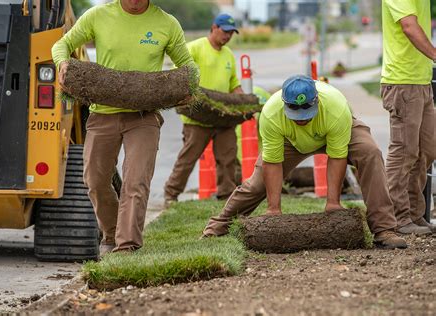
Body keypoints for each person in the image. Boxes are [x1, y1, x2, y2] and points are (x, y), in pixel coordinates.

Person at [52, 0, 195, 256]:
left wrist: (185, 89)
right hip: (102, 114)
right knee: (95, 181)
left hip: (143, 117)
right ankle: (111, 232)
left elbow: (187, 66)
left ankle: (126, 246)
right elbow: (62, 44)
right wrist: (62, 62)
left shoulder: (166, 23)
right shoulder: (98, 15)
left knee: (136, 181)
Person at [202, 75, 408, 250]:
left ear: (316, 101)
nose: (301, 118)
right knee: (256, 184)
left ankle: (383, 229)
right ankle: (217, 227)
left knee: (370, 153)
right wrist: (274, 209)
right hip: (290, 140)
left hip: (334, 129)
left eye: (306, 112)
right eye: (295, 114)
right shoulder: (271, 115)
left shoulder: (335, 108)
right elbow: (272, 163)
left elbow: (337, 157)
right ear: (285, 105)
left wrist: (333, 203)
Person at [163, 13, 244, 205]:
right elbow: (180, 74)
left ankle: (226, 195)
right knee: (188, 158)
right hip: (196, 117)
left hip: (222, 117)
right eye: (225, 31)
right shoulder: (196, 48)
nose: (228, 36)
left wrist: (244, 101)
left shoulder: (228, 55)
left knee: (228, 157)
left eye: (231, 33)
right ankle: (171, 194)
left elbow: (234, 84)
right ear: (214, 27)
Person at [381, 0, 436, 234]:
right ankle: (397, 218)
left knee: (426, 150)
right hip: (402, 82)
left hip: (421, 81)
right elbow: (409, 26)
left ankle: (415, 214)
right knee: (404, 151)